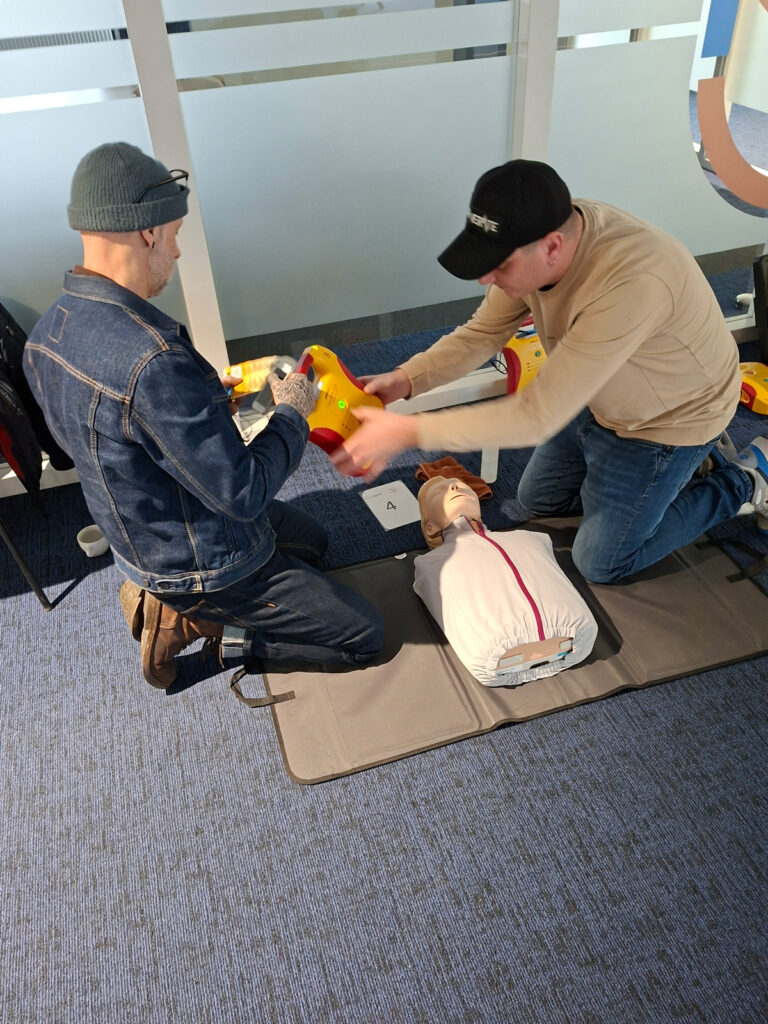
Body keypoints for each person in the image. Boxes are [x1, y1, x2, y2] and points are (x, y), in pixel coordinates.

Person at [23, 142, 382, 688]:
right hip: (203, 557)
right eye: (174, 234)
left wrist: (202, 403)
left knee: (315, 543)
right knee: (364, 637)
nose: (177, 251)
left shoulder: (45, 336)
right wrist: (291, 414)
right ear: (147, 232)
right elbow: (244, 493)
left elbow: (109, 438)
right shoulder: (153, 361)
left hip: (143, 533)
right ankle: (198, 622)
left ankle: (163, 593)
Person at [330, 159, 768, 583]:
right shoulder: (543, 234)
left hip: (671, 420)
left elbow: (535, 416)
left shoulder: (632, 282)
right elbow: (483, 333)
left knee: (602, 563)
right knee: (537, 500)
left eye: (499, 265)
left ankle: (745, 479)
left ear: (553, 248)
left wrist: (406, 434)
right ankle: (685, 474)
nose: (486, 278)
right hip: (596, 395)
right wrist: (406, 379)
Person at [412, 476, 597, 686]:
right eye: (440, 491)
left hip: (575, 634)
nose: (454, 486)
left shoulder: (531, 539)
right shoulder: (432, 565)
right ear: (430, 527)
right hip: (497, 652)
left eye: (461, 485)